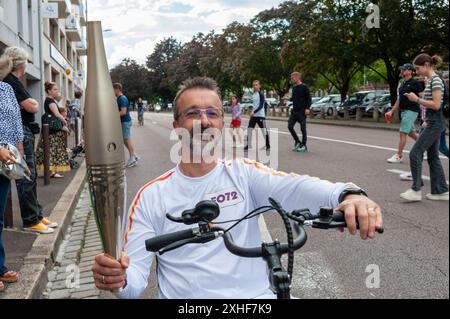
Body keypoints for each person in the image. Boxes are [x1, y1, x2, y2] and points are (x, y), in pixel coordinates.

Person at [92, 77, 383, 299]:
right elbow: (133, 281)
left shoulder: (243, 173)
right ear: (176, 124)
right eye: (193, 113)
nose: (204, 121)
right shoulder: (151, 196)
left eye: (212, 113)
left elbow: (294, 186)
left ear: (222, 123)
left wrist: (348, 194)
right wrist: (119, 277)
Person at [1, 47, 57, 234]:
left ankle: (37, 215)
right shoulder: (10, 82)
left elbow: (31, 105)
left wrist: (31, 103)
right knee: (26, 176)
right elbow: (31, 106)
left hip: (22, 132)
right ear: (22, 63)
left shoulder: (14, 82)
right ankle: (31, 219)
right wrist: (30, 103)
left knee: (29, 175)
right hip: (19, 134)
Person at [402, 54, 449, 201]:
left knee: (415, 153)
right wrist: (426, 119)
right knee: (433, 157)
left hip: (436, 122)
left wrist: (416, 99)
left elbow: (436, 105)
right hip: (434, 121)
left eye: (417, 68)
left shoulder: (435, 81)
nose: (416, 71)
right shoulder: (433, 81)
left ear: (427, 64)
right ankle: (441, 191)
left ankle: (416, 190)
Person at [0, 56, 27, 291]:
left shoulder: (6, 88)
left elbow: (16, 120)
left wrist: (20, 152)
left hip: (6, 160)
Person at [386, 64, 424, 163]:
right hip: (403, 111)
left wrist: (425, 113)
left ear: (410, 71)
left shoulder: (415, 83)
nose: (402, 70)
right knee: (411, 133)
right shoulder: (402, 83)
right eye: (401, 69)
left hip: (411, 110)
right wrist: (392, 110)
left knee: (403, 132)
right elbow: (399, 99)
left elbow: (423, 97)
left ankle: (399, 156)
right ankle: (427, 148)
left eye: (404, 69)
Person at [35, 82, 71, 179]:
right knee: (52, 150)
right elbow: (57, 114)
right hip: (52, 130)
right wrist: (64, 121)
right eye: (55, 89)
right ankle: (51, 171)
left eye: (56, 89)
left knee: (52, 150)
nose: (57, 91)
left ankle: (52, 171)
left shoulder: (51, 100)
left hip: (51, 130)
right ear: (49, 91)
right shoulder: (50, 101)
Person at [113, 83, 140, 167]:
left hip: (125, 122)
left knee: (127, 139)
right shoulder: (119, 98)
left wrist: (112, 115)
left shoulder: (122, 98)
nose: (112, 91)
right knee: (125, 140)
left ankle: (132, 158)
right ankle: (134, 156)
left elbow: (123, 112)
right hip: (123, 122)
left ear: (117, 89)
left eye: (113, 89)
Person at [288, 72, 312, 152]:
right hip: (294, 112)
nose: (291, 79)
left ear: (297, 77)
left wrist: (307, 108)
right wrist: (288, 98)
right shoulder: (294, 88)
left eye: (292, 78)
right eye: (291, 78)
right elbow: (294, 98)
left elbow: (309, 98)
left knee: (303, 129)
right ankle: (297, 142)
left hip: (302, 112)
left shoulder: (304, 87)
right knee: (290, 126)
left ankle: (304, 145)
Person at [244, 80, 270, 151]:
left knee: (264, 130)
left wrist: (254, 112)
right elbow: (255, 105)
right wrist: (252, 111)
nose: (255, 86)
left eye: (256, 85)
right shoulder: (254, 94)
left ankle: (268, 145)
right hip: (254, 116)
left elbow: (261, 105)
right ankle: (248, 145)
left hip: (260, 115)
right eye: (254, 85)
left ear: (259, 86)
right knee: (250, 129)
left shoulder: (261, 94)